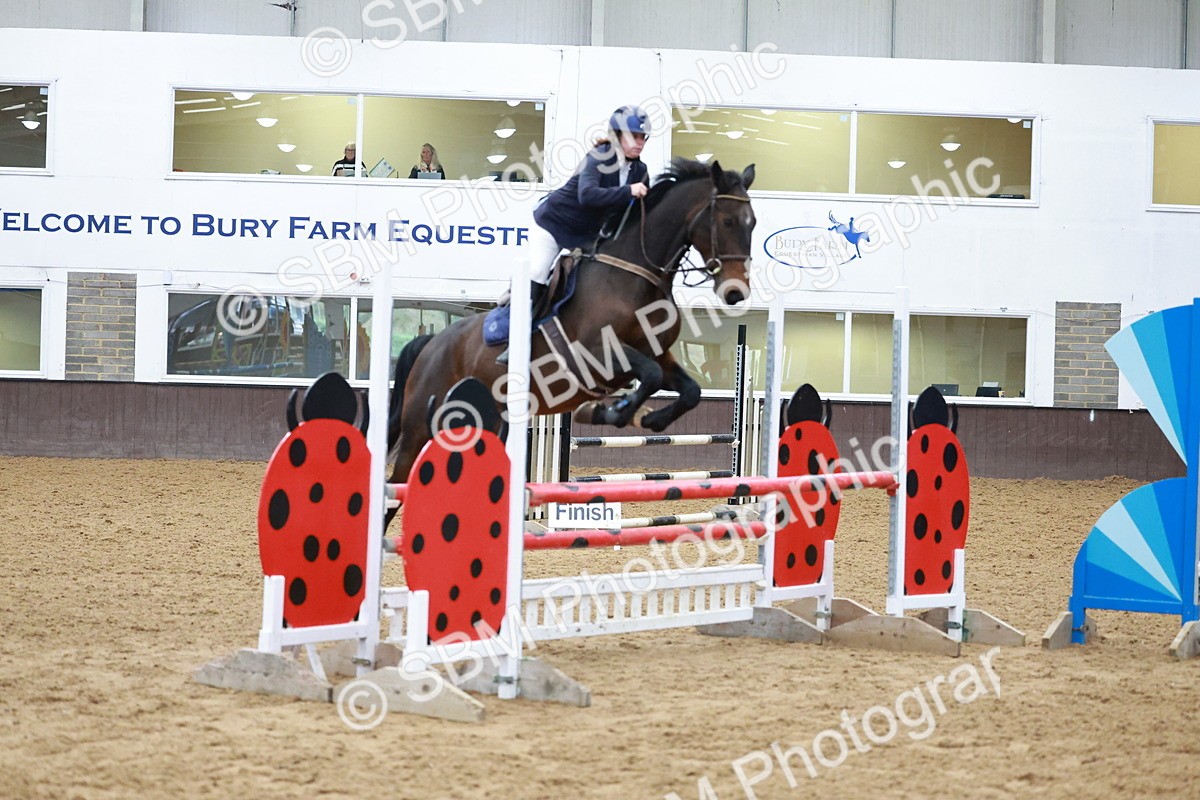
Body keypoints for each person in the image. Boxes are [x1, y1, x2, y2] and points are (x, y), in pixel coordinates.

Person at [496, 105, 651, 364]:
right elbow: (587, 195)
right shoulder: (598, 156)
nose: (640, 142)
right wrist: (628, 192)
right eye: (634, 136)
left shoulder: (639, 171)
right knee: (538, 272)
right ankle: (516, 341)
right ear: (617, 135)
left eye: (643, 137)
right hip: (554, 225)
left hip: (585, 235)